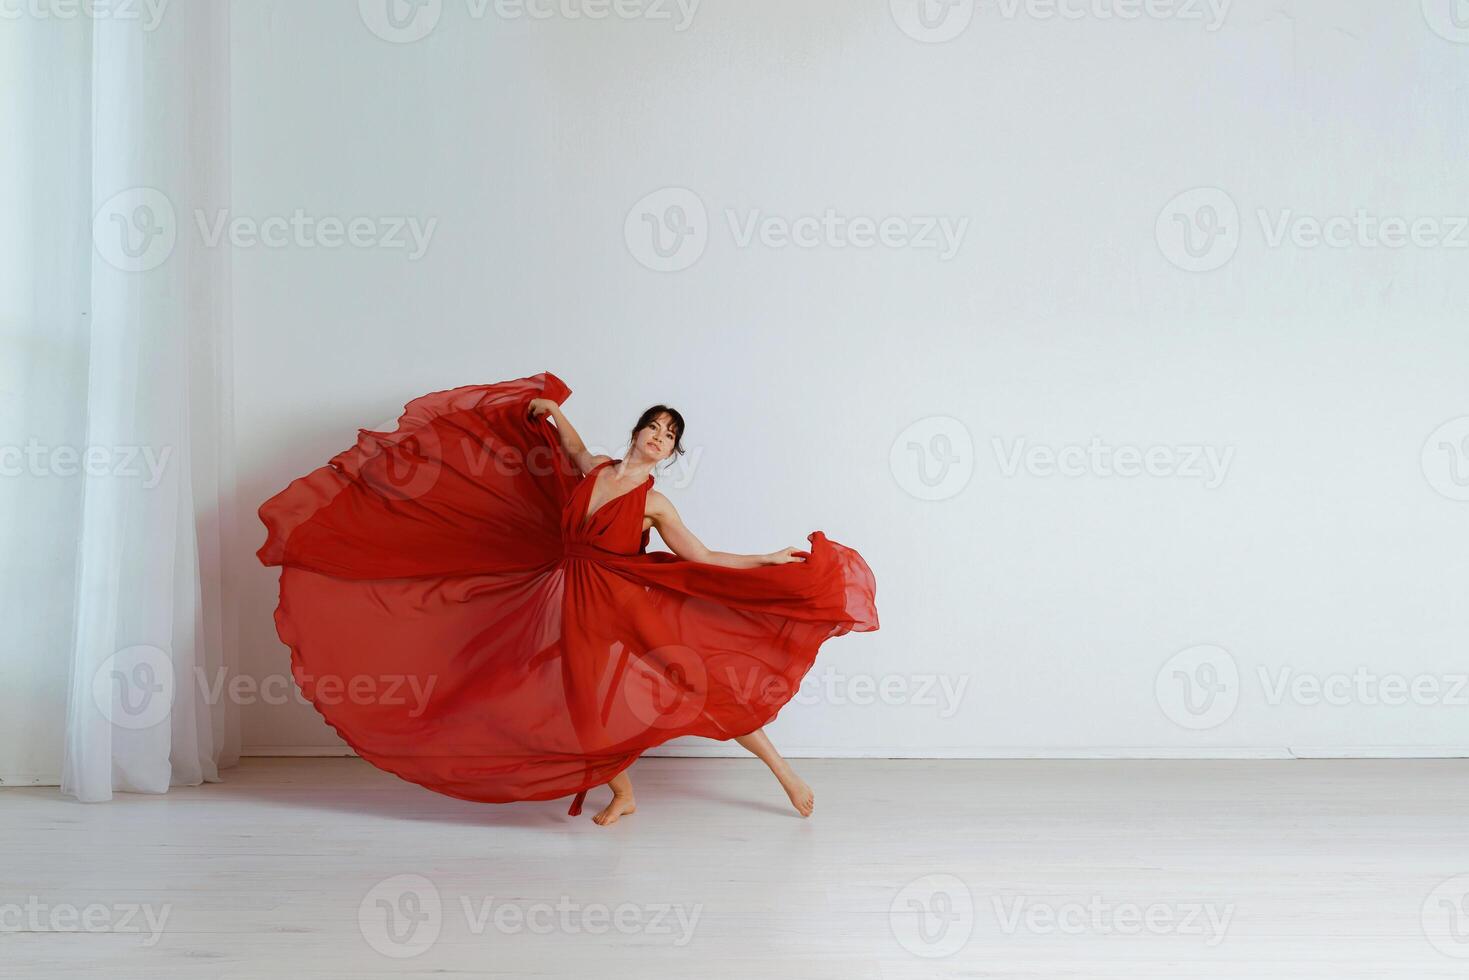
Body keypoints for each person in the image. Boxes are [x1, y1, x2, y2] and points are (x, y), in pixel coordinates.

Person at [256, 371, 878, 826]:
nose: (659, 438)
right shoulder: (594, 472)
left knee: (705, 688)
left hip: (630, 606)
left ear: (673, 451)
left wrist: (766, 558)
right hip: (571, 604)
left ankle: (786, 776)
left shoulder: (655, 503)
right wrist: (553, 411)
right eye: (654, 427)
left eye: (670, 435)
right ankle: (625, 793)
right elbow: (576, 449)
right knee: (582, 703)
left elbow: (702, 557)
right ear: (636, 432)